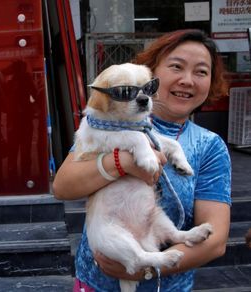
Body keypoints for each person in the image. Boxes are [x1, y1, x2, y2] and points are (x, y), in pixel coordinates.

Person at [53, 29, 231, 291]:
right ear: (152, 71)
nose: (187, 80)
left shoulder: (209, 146)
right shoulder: (112, 119)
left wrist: (147, 270)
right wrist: (122, 162)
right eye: (176, 67)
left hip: (166, 283)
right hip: (95, 281)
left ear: (211, 82)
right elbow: (63, 186)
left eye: (201, 72)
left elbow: (215, 242)